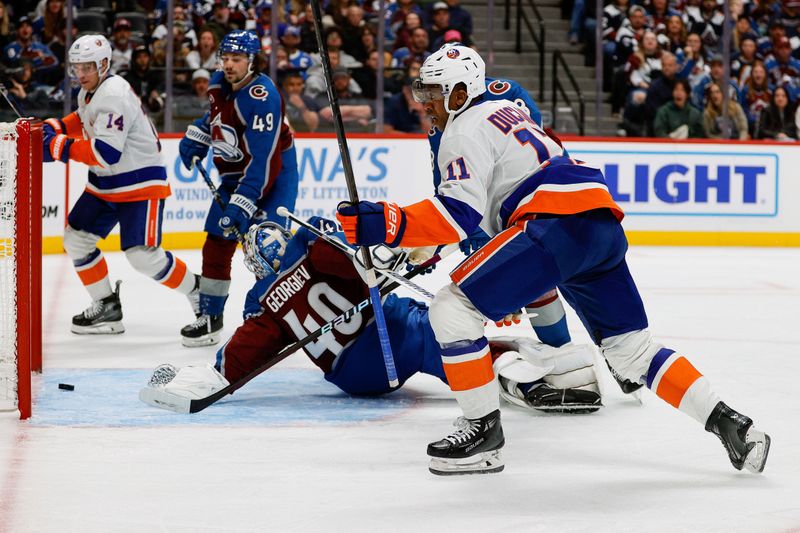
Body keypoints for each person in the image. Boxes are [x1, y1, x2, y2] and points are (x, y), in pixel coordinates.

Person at [336, 44, 770, 476]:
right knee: (632, 351)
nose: (425, 102)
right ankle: (731, 424)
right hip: (597, 223)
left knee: (453, 308)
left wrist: (384, 224)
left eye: (434, 92)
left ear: (459, 91)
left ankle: (482, 434)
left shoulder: (463, 130)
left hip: (552, 225)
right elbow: (476, 220)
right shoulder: (507, 112)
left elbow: (457, 215)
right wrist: (409, 248)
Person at [140, 218, 602, 416]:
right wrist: (401, 259)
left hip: (357, 378)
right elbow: (371, 265)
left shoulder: (264, 304)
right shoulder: (314, 246)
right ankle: (525, 378)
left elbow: (239, 358)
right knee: (444, 339)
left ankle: (514, 371)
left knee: (419, 334)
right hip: (389, 334)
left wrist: (209, 377)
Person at [41, 35, 200, 336]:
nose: (81, 74)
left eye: (87, 67)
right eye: (77, 67)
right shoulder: (91, 91)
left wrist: (58, 145)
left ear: (103, 64)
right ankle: (107, 307)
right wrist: (59, 126)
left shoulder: (113, 93)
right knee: (76, 240)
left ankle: (200, 292)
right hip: (106, 184)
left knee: (142, 256)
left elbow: (105, 152)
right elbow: (85, 116)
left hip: (140, 182)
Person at [177, 30, 298, 347]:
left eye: (237, 59)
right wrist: (199, 135)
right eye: (225, 58)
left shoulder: (264, 96)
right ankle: (210, 317)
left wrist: (242, 204)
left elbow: (263, 161)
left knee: (266, 249)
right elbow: (216, 116)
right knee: (216, 241)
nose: (228, 64)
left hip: (275, 175)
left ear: (252, 61)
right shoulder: (218, 82)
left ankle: (268, 321)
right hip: (235, 175)